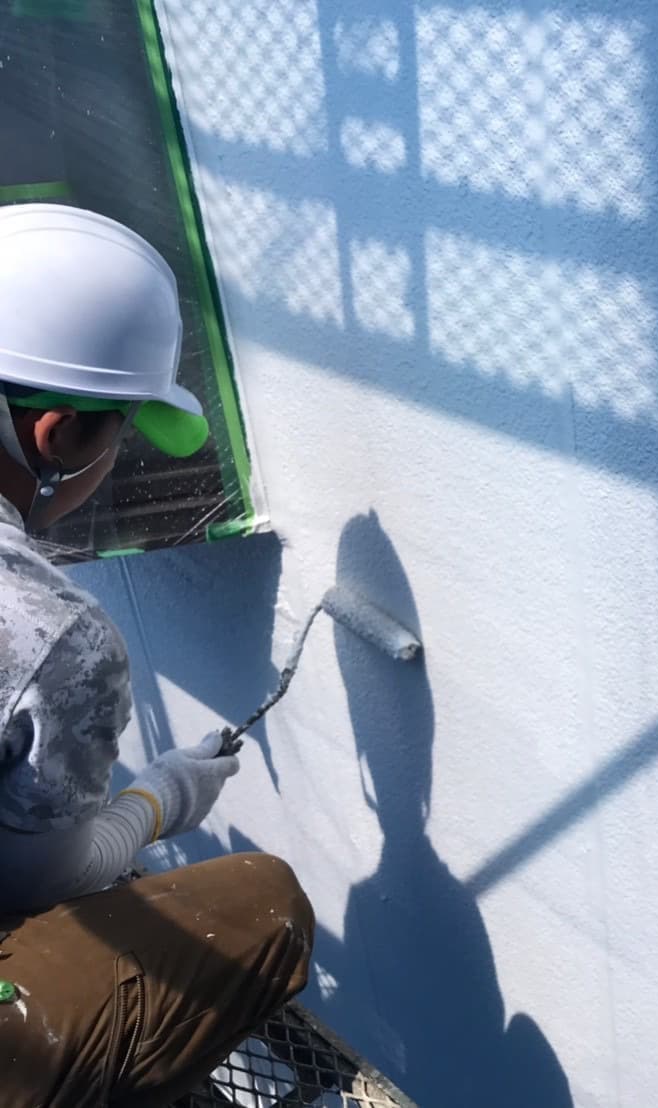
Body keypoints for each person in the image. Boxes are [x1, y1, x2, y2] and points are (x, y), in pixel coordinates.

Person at [0, 203, 314, 1106]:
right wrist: (160, 799)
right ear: (60, 436)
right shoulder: (54, 633)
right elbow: (38, 879)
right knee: (265, 905)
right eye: (123, 431)